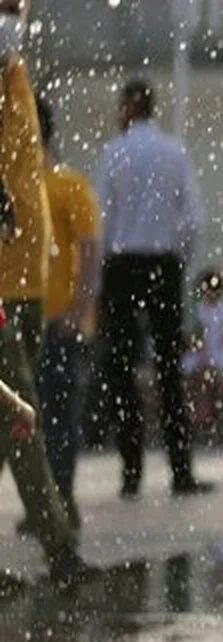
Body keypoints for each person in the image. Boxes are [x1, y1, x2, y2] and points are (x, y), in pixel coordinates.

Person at [0, 0, 88, 584]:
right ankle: (60, 549)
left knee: (9, 420)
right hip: (3, 283)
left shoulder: (14, 72)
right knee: (20, 412)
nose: (16, 15)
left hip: (25, 278)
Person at [95, 77, 211, 499]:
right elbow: (193, 218)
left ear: (127, 108)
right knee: (168, 371)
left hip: (123, 266)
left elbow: (102, 220)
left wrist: (101, 282)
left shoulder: (114, 153)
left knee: (122, 370)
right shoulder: (172, 151)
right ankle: (181, 471)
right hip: (162, 265)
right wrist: (177, 259)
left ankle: (131, 473)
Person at [23, 95, 101, 531]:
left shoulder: (67, 185)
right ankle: (43, 505)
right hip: (20, 322)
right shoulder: (15, 188)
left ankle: (60, 500)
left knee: (56, 415)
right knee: (28, 417)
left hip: (57, 322)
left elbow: (90, 250)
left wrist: (79, 309)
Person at [181, 267, 223, 433]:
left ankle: (206, 406)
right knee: (192, 367)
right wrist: (200, 350)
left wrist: (211, 351)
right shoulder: (200, 308)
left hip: (219, 350)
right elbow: (197, 335)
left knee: (207, 370)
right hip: (204, 351)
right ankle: (199, 405)